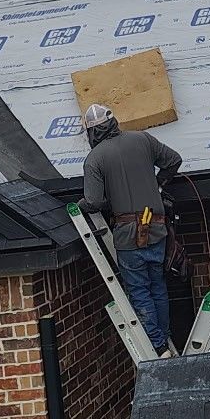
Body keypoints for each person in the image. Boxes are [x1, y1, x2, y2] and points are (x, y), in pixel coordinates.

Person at [81, 104, 181, 353]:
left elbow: (93, 202)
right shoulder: (142, 139)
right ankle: (164, 337)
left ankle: (157, 346)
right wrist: (156, 183)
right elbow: (174, 160)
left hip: (128, 236)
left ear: (91, 133)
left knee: (139, 291)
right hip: (156, 230)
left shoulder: (95, 158)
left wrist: (80, 204)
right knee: (157, 285)